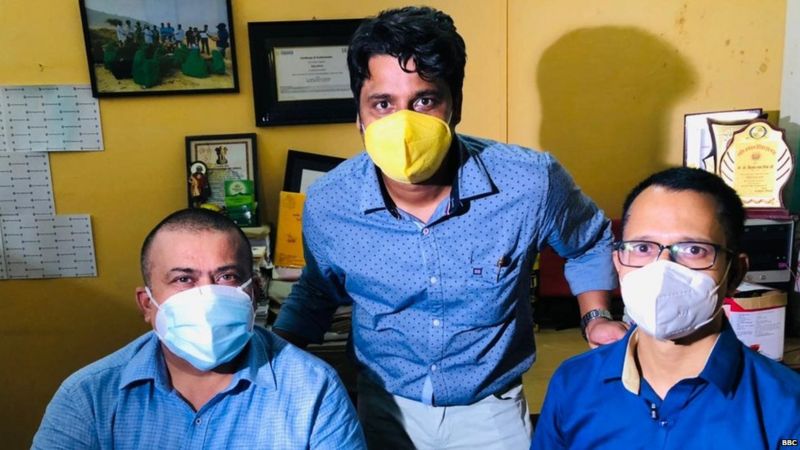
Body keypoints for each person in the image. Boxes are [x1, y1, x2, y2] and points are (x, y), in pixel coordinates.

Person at [273, 6, 627, 448]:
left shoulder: (529, 181)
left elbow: (589, 241)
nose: (404, 125)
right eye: (383, 104)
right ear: (359, 115)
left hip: (491, 410)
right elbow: (318, 290)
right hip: (382, 407)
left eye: (424, 101)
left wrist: (596, 317)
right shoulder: (330, 203)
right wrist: (267, 354)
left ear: (454, 105)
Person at [32, 208, 366, 449]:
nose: (207, 296)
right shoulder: (89, 396)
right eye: (183, 279)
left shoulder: (313, 389)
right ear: (147, 304)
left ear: (254, 293)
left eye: (226, 276)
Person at [531, 167, 800, 449]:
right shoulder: (574, 384)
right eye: (642, 248)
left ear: (734, 274)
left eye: (693, 250)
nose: (662, 270)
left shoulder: (785, 407)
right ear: (618, 263)